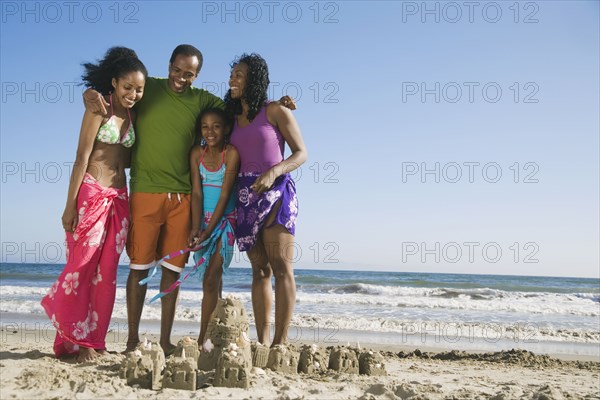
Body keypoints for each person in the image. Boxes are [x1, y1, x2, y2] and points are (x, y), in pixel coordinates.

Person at [84, 45, 294, 354]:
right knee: (139, 267)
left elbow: (233, 114)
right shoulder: (148, 87)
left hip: (195, 196)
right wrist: (91, 91)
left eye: (189, 74)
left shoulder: (206, 101)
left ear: (196, 76)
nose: (182, 78)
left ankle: (170, 341)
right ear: (168, 65)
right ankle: (131, 340)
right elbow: (118, 90)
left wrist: (281, 104)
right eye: (177, 70)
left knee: (174, 270)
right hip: (146, 190)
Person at [41, 47, 147, 362]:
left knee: (108, 274)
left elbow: (126, 159)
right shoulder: (98, 108)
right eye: (127, 87)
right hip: (91, 192)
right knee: (82, 266)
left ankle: (95, 341)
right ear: (113, 82)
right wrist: (69, 205)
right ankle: (76, 338)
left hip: (120, 198)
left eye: (139, 89)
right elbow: (81, 157)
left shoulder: (134, 114)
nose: (133, 93)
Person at [225, 53, 308, 347]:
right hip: (245, 197)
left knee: (282, 267)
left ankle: (280, 343)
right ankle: (262, 342)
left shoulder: (275, 111)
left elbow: (301, 153)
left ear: (254, 79)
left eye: (239, 74)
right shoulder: (229, 118)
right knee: (259, 270)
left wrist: (274, 171)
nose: (232, 79)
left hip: (276, 193)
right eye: (232, 73)